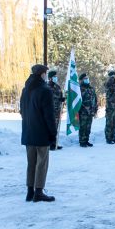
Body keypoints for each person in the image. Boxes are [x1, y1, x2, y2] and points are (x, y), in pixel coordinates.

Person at [19, 64, 56, 202]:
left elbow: (22, 110)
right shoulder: (44, 90)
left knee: (31, 163)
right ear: (42, 74)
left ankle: (30, 191)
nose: (47, 75)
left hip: (28, 131)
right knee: (42, 163)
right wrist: (53, 133)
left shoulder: (26, 89)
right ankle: (39, 191)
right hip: (41, 132)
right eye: (46, 73)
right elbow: (49, 115)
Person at [78, 73, 98, 147]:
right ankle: (82, 141)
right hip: (83, 112)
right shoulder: (79, 89)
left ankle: (86, 140)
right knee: (83, 127)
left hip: (91, 111)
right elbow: (78, 101)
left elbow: (95, 99)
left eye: (87, 78)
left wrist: (95, 109)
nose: (87, 79)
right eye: (85, 78)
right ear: (82, 80)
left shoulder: (91, 88)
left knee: (88, 127)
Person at [47, 70, 65, 150]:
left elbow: (59, 97)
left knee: (55, 128)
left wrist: (62, 99)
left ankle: (54, 143)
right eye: (54, 77)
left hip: (57, 112)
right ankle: (48, 144)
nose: (56, 78)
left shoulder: (58, 87)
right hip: (50, 113)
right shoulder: (46, 87)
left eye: (56, 76)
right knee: (49, 128)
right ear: (50, 78)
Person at [104, 69, 115, 144]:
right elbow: (107, 90)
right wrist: (110, 79)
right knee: (109, 123)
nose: (114, 77)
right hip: (110, 108)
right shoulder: (107, 84)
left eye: (114, 76)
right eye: (112, 76)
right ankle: (108, 138)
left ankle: (113, 137)